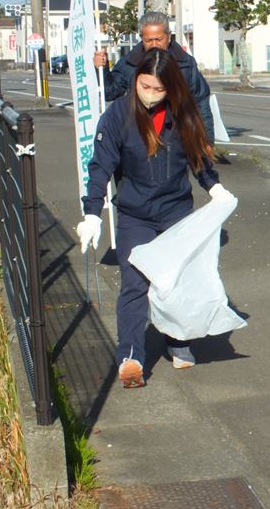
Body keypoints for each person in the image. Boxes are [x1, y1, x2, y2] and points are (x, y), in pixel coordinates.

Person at [76, 49, 234, 388]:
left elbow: (197, 157)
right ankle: (131, 356)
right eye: (144, 86)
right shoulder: (118, 114)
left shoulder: (183, 113)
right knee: (135, 283)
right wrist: (91, 213)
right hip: (135, 214)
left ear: (171, 89)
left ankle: (178, 342)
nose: (148, 94)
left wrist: (214, 187)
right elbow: (100, 166)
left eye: (157, 89)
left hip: (175, 210)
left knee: (174, 281)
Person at [93, 12, 215, 142]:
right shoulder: (131, 62)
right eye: (149, 40)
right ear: (142, 38)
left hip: (177, 135)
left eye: (158, 39)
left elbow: (200, 101)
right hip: (140, 133)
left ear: (168, 37)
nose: (154, 44)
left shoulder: (185, 63)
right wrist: (102, 68)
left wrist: (206, 141)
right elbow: (109, 92)